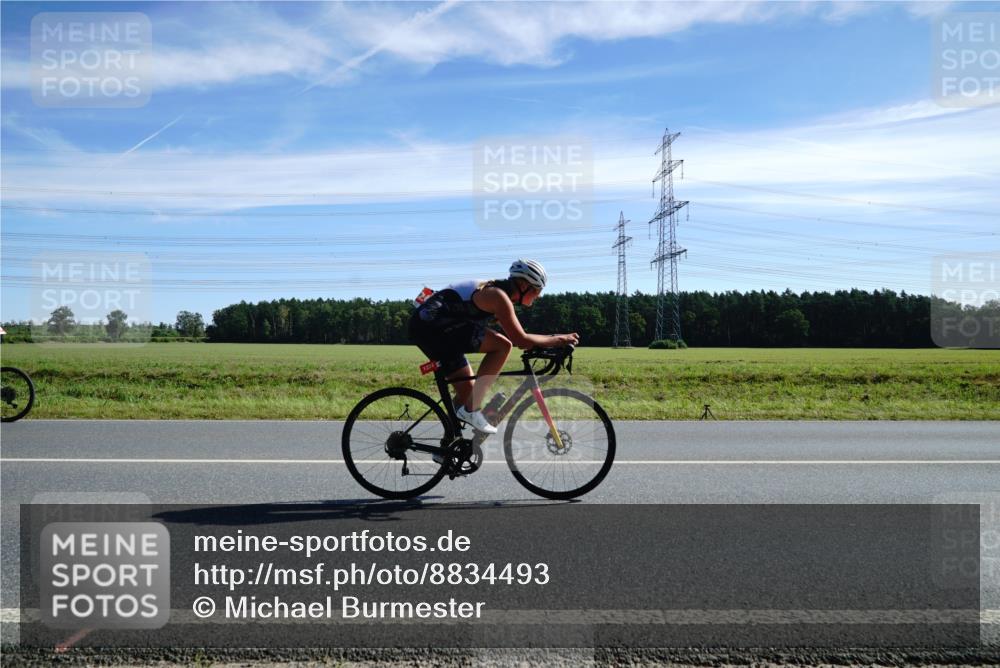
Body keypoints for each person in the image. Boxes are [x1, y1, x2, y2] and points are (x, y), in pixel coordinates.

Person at [408, 259, 579, 434]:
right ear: (522, 285)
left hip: (435, 327)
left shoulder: (498, 295)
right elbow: (521, 340)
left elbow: (521, 336)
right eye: (536, 290)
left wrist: (552, 340)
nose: (539, 295)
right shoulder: (497, 296)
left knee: (468, 393)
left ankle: (448, 448)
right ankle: (471, 411)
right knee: (502, 346)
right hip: (433, 326)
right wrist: (559, 339)